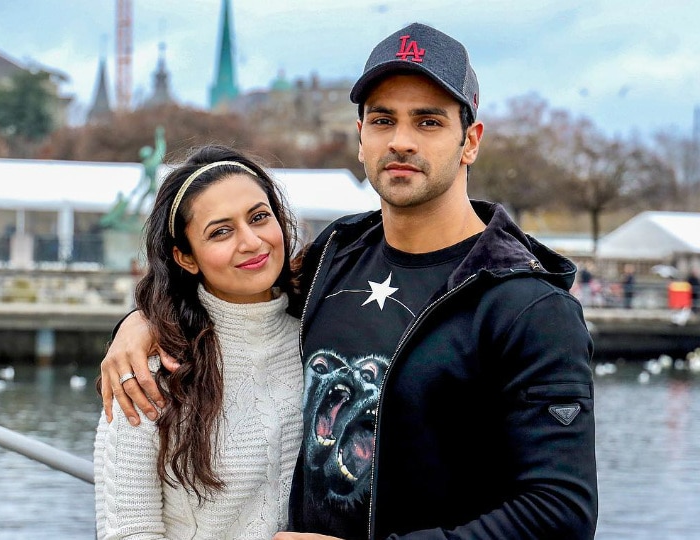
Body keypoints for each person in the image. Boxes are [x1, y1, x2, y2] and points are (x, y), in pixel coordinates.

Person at [101, 23, 598, 539]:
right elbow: (231, 297)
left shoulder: (529, 307)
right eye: (383, 120)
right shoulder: (334, 257)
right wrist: (141, 323)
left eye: (428, 122)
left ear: (470, 140)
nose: (401, 141)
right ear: (361, 138)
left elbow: (560, 515)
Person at [93, 145, 304, 539]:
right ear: (186, 257)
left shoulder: (319, 337)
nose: (252, 242)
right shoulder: (151, 368)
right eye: (221, 231)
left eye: (260, 217)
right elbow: (129, 529)